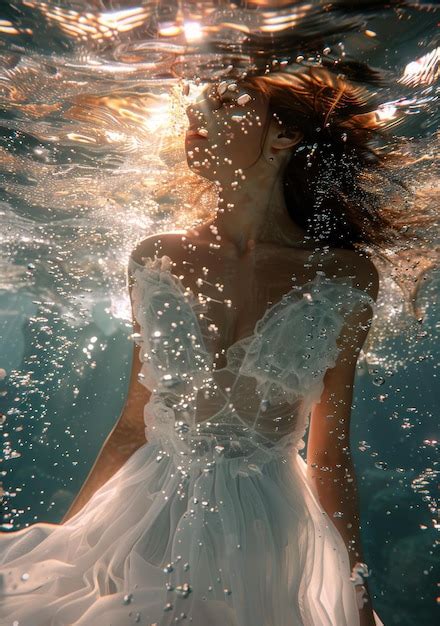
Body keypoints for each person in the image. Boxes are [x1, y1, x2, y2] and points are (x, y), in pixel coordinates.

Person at [0, 67, 401, 626]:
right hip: (140, 517)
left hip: (264, 541)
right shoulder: (153, 256)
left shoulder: (343, 276)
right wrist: (63, 543)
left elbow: (329, 456)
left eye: (226, 107)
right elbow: (134, 425)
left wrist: (357, 600)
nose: (198, 126)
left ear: (283, 136)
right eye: (193, 116)